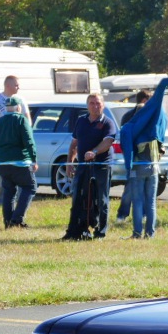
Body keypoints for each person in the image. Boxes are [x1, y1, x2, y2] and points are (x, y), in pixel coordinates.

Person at [61, 93, 117, 241]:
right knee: (78, 198)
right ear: (87, 105)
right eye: (92, 103)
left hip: (102, 166)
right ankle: (74, 231)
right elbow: (74, 144)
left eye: (98, 103)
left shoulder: (108, 123)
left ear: (103, 105)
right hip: (82, 166)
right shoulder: (81, 121)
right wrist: (69, 162)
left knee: (101, 199)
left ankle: (100, 232)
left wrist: (95, 152)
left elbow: (108, 142)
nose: (95, 106)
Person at [0, 97, 37, 229]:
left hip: (2, 163)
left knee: (9, 191)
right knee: (30, 187)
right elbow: (29, 141)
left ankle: (8, 221)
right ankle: (17, 219)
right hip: (20, 162)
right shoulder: (22, 120)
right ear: (18, 108)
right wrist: (33, 159)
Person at [115, 90, 150, 223]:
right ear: (144, 101)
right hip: (133, 157)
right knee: (130, 187)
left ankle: (145, 214)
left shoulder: (150, 116)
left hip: (147, 158)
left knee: (147, 188)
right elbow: (124, 137)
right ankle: (122, 215)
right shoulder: (128, 117)